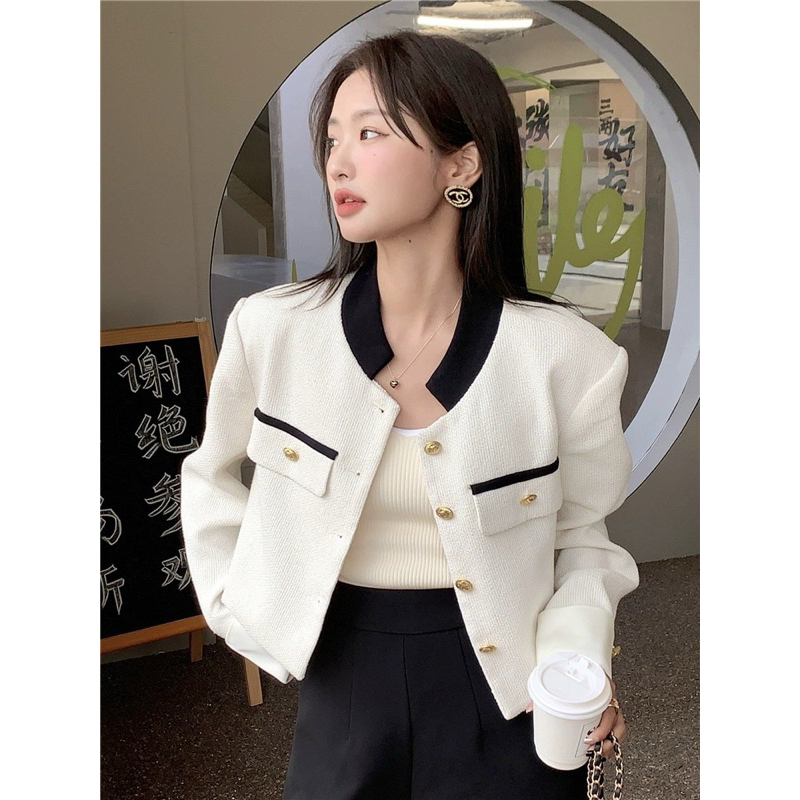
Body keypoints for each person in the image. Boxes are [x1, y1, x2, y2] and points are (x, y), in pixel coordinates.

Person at [181, 30, 639, 800]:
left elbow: (582, 540)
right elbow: (210, 474)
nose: (339, 162)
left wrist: (577, 666)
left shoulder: (567, 357)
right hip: (343, 682)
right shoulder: (275, 331)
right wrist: (241, 606)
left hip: (508, 687)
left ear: (461, 166)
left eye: (370, 133)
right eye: (333, 138)